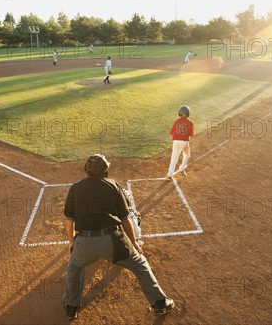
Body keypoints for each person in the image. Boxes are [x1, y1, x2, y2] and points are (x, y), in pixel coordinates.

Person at [62, 154, 175, 320]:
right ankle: (159, 304)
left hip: (84, 244)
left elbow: (69, 221)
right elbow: (125, 218)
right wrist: (134, 243)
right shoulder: (113, 185)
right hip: (112, 242)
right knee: (140, 264)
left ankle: (71, 307)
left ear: (86, 169)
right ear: (105, 170)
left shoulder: (75, 187)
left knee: (74, 268)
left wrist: (72, 243)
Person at [167, 105, 194, 178]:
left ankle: (170, 174)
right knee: (186, 155)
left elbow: (171, 133)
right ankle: (181, 170)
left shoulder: (176, 121)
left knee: (174, 158)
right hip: (184, 142)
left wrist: (176, 139)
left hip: (176, 141)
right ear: (188, 113)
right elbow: (191, 135)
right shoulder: (190, 122)